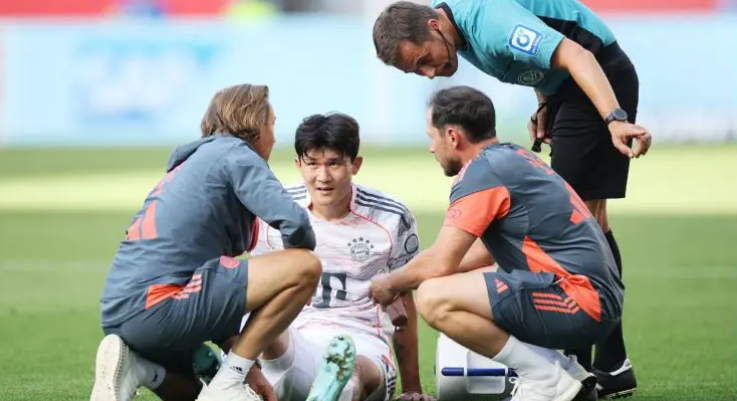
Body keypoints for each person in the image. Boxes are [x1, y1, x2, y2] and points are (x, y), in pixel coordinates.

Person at [372, 2, 649, 397]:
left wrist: (615, 119)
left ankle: (575, 370)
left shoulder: (487, 22)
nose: (430, 73)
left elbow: (576, 53)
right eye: (417, 71)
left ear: (434, 26)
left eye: (423, 61)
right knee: (587, 220)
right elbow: (538, 58)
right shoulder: (458, 39)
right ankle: (595, 364)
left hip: (596, 76)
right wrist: (546, 101)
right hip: (566, 88)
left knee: (588, 216)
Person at [89, 83, 322, 401]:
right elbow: (295, 223)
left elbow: (203, 281)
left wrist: (244, 360)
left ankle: (140, 368)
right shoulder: (237, 155)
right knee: (305, 265)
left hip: (121, 312)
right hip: (160, 305)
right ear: (255, 126)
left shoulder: (192, 164)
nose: (274, 137)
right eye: (272, 124)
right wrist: (298, 279)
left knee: (193, 393)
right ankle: (229, 381)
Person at [245, 112, 432, 401]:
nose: (323, 176)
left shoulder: (391, 216)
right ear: (298, 165)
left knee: (353, 371)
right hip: (296, 337)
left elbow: (404, 302)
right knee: (267, 328)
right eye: (313, 164)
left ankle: (336, 387)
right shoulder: (275, 212)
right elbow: (255, 294)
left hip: (363, 341)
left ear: (355, 164)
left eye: (333, 163)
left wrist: (412, 389)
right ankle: (235, 375)